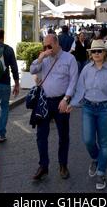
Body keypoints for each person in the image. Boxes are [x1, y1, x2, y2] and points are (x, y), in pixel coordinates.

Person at [67, 40, 107, 190]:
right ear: (90, 54)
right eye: (94, 51)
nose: (96, 54)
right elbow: (80, 89)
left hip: (106, 108)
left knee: (104, 142)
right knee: (88, 140)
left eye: (99, 51)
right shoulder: (86, 69)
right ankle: (96, 158)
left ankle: (101, 172)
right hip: (88, 107)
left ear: (105, 53)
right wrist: (72, 103)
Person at [30, 33, 78, 181]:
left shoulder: (69, 58)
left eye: (49, 46)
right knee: (41, 135)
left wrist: (66, 98)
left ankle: (63, 164)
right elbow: (32, 70)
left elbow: (73, 80)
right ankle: (43, 166)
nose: (47, 48)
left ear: (57, 44)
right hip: (44, 101)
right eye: (44, 46)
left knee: (63, 135)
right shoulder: (44, 58)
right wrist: (41, 57)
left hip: (61, 101)